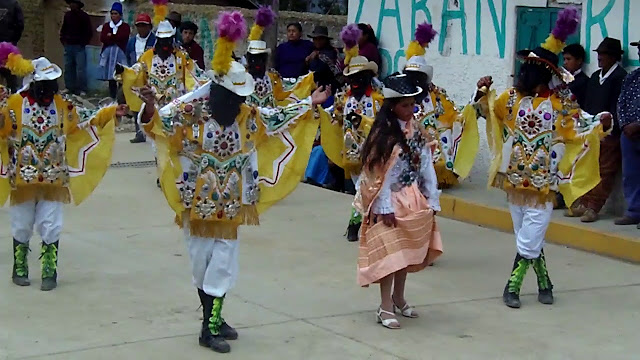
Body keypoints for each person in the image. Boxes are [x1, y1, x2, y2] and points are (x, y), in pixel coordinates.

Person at [137, 11, 330, 354]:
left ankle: (209, 325)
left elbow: (276, 118)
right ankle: (213, 315)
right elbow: (157, 124)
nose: (240, 103)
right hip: (195, 205)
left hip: (231, 206)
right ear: (218, 95)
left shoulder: (248, 117)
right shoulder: (191, 115)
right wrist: (150, 107)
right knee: (201, 266)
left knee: (223, 265)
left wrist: (307, 103)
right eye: (234, 98)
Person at [473, 8, 612, 309]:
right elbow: (487, 112)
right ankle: (545, 283)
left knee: (530, 235)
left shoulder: (561, 103)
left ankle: (512, 287)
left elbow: (583, 124)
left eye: (530, 70)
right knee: (527, 235)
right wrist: (481, 91)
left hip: (543, 184)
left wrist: (602, 121)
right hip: (514, 180)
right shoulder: (510, 99)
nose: (523, 74)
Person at [0, 52, 126, 291]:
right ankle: (20, 267)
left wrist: (109, 113)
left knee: (52, 224)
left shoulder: (63, 105)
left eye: (52, 84)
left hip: (54, 178)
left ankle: (50, 270)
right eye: (45, 84)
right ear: (34, 84)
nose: (49, 89)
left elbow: (82, 124)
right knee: (21, 224)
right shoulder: (14, 104)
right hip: (22, 179)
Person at [354, 73, 442, 329]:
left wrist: (431, 196)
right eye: (405, 105)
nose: (410, 109)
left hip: (412, 197)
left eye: (412, 104)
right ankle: (384, 306)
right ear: (392, 106)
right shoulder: (383, 134)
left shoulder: (417, 131)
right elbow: (378, 172)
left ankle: (399, 297)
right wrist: (383, 206)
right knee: (390, 255)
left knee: (405, 253)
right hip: (389, 199)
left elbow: (425, 164)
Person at [321, 24, 384, 242]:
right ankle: (363, 224)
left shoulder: (378, 101)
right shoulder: (344, 99)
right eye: (353, 79)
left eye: (360, 78)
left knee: (365, 188)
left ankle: (355, 224)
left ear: (368, 78)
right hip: (353, 156)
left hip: (374, 153)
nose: (356, 83)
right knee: (363, 188)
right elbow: (333, 117)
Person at [403, 22, 478, 188]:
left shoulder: (436, 96)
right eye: (411, 76)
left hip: (430, 155)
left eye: (418, 76)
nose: (415, 80)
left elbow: (457, 118)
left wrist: (476, 96)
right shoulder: (400, 96)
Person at [566, 37, 627, 223]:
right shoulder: (595, 77)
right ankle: (584, 201)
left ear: (614, 57)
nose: (600, 58)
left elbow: (619, 107)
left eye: (604, 54)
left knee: (605, 170)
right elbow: (588, 104)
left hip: (610, 133)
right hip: (591, 131)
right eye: (599, 54)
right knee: (589, 168)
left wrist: (609, 126)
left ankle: (594, 206)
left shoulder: (620, 78)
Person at [244, 7, 315, 109]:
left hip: (299, 83)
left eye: (294, 31)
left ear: (300, 34)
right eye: (289, 31)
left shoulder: (307, 46)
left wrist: (313, 54)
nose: (291, 33)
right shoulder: (281, 48)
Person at [614, 40, 640, 228]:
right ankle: (634, 211)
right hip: (628, 134)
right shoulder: (632, 77)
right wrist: (624, 125)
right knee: (630, 175)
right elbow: (621, 102)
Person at [59, 0, 92, 96]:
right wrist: (63, 40)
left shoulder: (84, 16)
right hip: (68, 45)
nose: (71, 5)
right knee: (68, 67)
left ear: (78, 5)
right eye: (71, 3)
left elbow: (88, 32)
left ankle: (82, 89)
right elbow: (63, 29)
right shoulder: (67, 16)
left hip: (79, 46)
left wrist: (83, 43)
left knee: (80, 69)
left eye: (73, 3)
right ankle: (69, 88)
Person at [99, 2, 130, 100]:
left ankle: (121, 96)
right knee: (111, 77)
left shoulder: (125, 27)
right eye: (112, 13)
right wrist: (114, 38)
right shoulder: (107, 26)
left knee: (121, 76)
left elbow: (123, 37)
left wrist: (111, 37)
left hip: (120, 54)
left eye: (115, 13)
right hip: (109, 54)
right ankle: (112, 96)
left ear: (120, 15)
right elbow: (103, 38)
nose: (113, 16)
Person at [307, 25, 341, 94]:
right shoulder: (312, 51)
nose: (317, 41)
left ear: (325, 40)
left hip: (329, 88)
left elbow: (320, 69)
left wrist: (317, 56)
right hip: (316, 87)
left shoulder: (331, 52)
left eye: (320, 39)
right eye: (315, 39)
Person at [0, 0, 24, 92]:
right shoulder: (13, 4)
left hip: (8, 46)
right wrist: (13, 41)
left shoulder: (13, 4)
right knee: (11, 76)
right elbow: (20, 24)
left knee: (10, 75)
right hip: (9, 46)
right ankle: (13, 96)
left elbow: (19, 24)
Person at [562, 43, 589, 108]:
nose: (565, 62)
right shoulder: (562, 77)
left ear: (579, 61)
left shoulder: (584, 81)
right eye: (564, 59)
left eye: (568, 59)